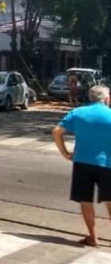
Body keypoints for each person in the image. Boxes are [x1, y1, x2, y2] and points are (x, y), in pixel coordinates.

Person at [52, 85, 111, 247]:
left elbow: (57, 132)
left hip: (82, 163)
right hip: (108, 164)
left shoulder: (77, 113)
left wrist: (65, 153)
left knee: (85, 201)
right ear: (106, 99)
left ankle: (93, 237)